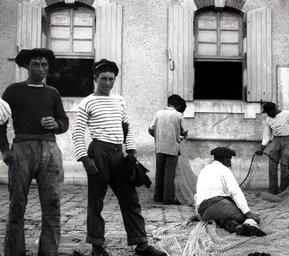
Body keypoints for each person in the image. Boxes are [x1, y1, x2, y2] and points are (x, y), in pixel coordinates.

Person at [72, 59, 166, 256]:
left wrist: (131, 153)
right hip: (98, 152)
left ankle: (141, 244)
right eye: (103, 79)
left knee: (131, 199)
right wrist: (84, 159)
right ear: (95, 78)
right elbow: (78, 132)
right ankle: (97, 246)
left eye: (111, 79)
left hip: (118, 154)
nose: (107, 83)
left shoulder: (119, 100)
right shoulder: (87, 102)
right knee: (96, 201)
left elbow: (127, 128)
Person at [0, 48, 69, 256]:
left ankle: (48, 252)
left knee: (53, 204)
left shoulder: (53, 93)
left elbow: (64, 122)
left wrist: (55, 124)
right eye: (36, 64)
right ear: (27, 67)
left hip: (49, 150)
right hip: (22, 148)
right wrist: (4, 149)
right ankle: (14, 252)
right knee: (17, 204)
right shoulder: (13, 90)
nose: (41, 69)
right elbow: (1, 122)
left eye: (44, 65)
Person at [195, 147, 266, 237]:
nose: (230, 162)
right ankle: (248, 225)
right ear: (225, 159)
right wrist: (247, 212)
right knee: (247, 218)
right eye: (229, 159)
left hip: (205, 213)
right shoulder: (224, 169)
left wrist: (199, 214)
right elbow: (235, 192)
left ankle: (235, 227)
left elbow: (197, 195)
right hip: (219, 204)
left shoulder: (204, 170)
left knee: (223, 217)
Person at [148, 94, 188, 205]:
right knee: (169, 174)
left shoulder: (159, 113)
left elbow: (150, 129)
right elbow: (184, 131)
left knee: (159, 172)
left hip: (159, 147)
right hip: (172, 148)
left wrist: (159, 137)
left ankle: (158, 196)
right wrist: (179, 136)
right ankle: (168, 198)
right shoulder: (178, 115)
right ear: (178, 106)